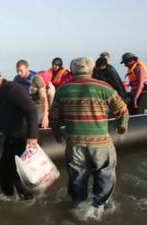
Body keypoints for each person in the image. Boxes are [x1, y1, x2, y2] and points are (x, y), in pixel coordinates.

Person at [49, 57, 129, 212]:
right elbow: (122, 109)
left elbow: (54, 118)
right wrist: (122, 126)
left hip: (74, 145)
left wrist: (57, 134)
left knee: (77, 178)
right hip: (100, 145)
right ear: (92, 70)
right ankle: (99, 208)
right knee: (105, 175)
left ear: (72, 70)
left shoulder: (62, 90)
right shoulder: (103, 87)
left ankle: (78, 209)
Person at [0, 70, 38, 200]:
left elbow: (31, 110)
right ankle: (7, 195)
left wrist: (33, 136)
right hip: (10, 136)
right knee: (3, 168)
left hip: (23, 136)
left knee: (12, 170)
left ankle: (27, 198)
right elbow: (3, 117)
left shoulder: (13, 89)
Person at [14, 59, 49, 128]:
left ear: (27, 69)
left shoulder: (37, 79)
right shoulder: (16, 79)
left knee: (32, 123)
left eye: (21, 71)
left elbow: (44, 98)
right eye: (17, 71)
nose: (19, 73)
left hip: (36, 106)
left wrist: (45, 116)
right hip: (23, 107)